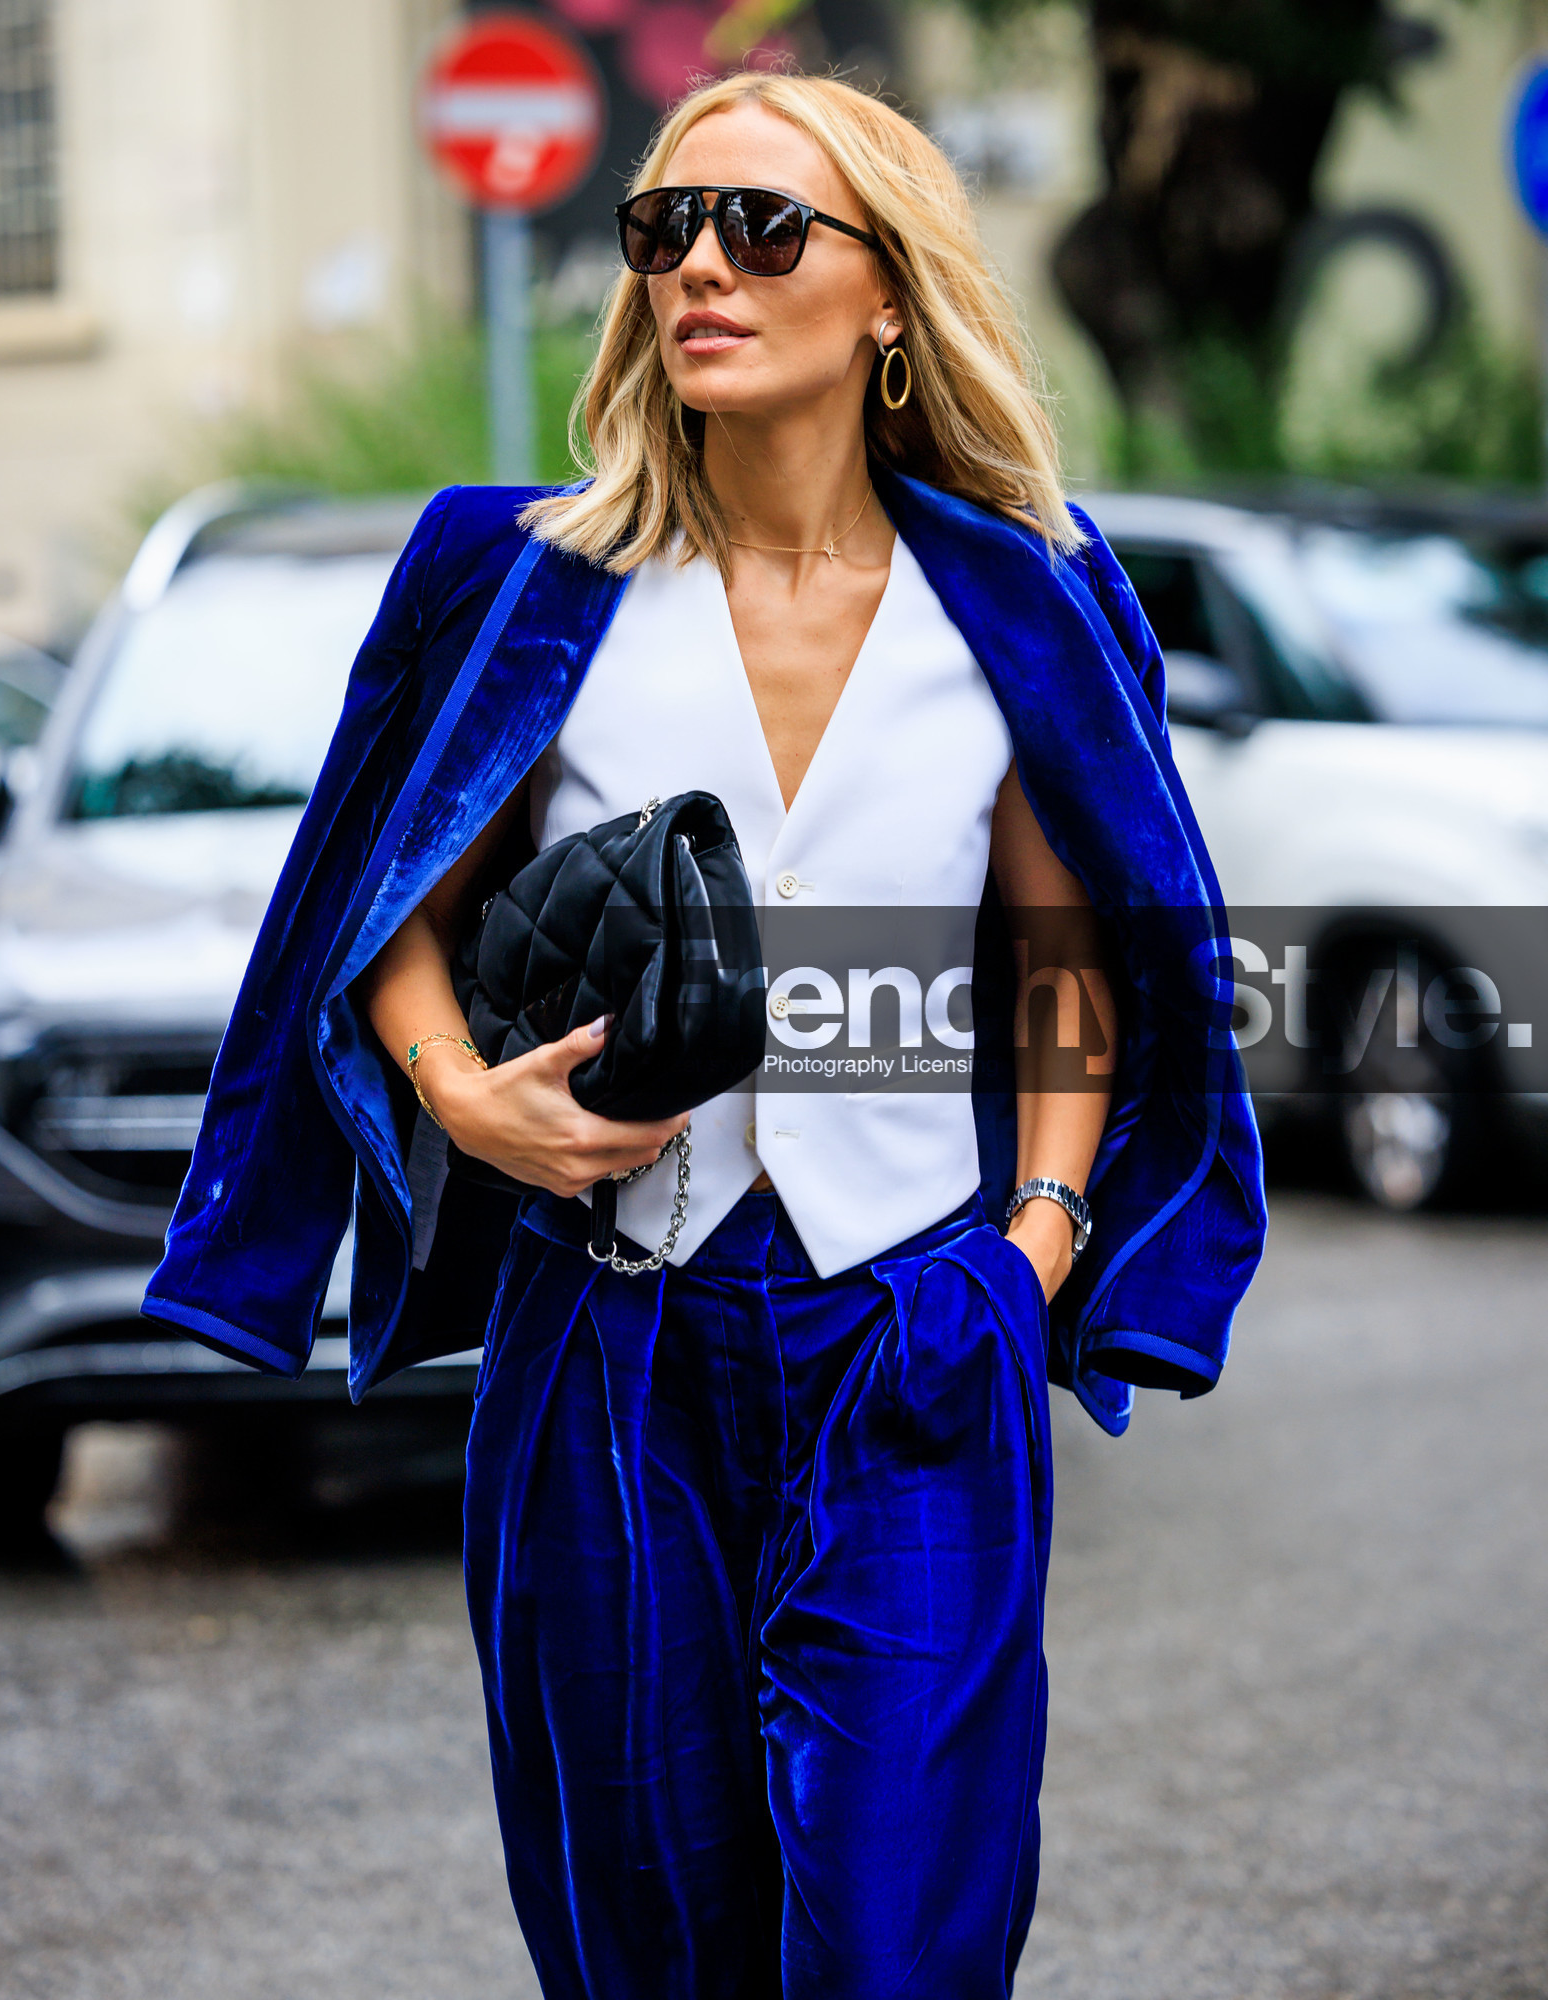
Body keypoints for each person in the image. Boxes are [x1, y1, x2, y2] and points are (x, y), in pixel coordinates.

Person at [144, 70, 1265, 2000]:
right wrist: (458, 1098)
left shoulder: (1015, 604)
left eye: (762, 228)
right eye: (663, 230)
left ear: (890, 295)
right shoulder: (534, 585)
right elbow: (377, 916)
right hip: (606, 1345)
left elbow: (1071, 952)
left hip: (915, 1335)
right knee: (644, 1938)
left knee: (901, 1934)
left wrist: (1041, 1243)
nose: (698, 271)